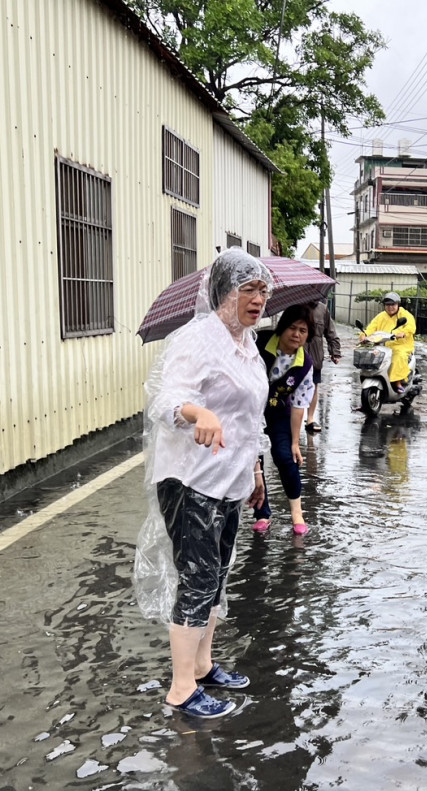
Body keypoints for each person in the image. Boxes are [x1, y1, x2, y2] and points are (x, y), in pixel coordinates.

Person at [138, 248, 271, 720]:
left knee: (215, 577)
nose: (258, 299)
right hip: (191, 481)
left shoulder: (248, 345)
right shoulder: (196, 339)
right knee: (196, 580)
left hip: (230, 481)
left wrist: (255, 471)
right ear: (224, 291)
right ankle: (180, 688)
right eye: (248, 289)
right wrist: (198, 412)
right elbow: (165, 399)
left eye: (263, 290)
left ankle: (203, 664)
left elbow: (251, 419)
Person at [250, 303, 315, 535]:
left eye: (303, 331)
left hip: (278, 413)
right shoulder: (257, 343)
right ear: (282, 328)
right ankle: (262, 514)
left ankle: (297, 513)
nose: (296, 334)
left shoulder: (305, 363)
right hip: (249, 414)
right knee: (253, 463)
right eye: (292, 328)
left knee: (285, 457)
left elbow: (299, 405)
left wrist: (296, 441)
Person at [363, 292, 417, 395]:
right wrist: (364, 335)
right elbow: (371, 328)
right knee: (372, 355)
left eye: (393, 305)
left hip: (401, 345)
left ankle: (397, 383)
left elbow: (411, 327)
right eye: (387, 305)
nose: (390, 307)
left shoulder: (405, 315)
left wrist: (402, 333)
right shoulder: (381, 316)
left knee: (398, 356)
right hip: (384, 345)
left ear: (398, 305)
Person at [303, 297, 341, 434]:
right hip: (296, 354)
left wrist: (335, 352)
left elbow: (331, 332)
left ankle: (310, 419)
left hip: (315, 355)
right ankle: (292, 419)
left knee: (313, 386)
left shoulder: (322, 309)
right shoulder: (295, 307)